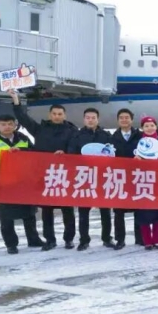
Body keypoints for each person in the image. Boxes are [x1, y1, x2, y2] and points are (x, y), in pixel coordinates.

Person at [8, 89, 77, 251]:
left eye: (60, 114)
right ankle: (50, 240)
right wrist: (16, 100)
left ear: (64, 115)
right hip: (45, 175)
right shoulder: (40, 129)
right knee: (47, 210)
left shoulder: (72, 131)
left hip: (65, 175)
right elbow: (23, 119)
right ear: (50, 115)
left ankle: (69, 239)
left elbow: (76, 149)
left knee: (68, 210)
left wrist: (66, 153)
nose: (57, 116)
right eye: (54, 114)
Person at [0, 114, 46, 253]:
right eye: (3, 124)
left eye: (10, 124)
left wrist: (22, 150)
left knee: (29, 214)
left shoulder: (23, 139)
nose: (7, 127)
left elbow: (35, 155)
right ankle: (11, 244)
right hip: (5, 186)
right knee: (6, 217)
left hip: (25, 184)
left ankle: (33, 239)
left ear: (15, 125)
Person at [67, 107, 114, 251]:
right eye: (88, 118)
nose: (90, 120)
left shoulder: (106, 135)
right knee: (83, 212)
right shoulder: (77, 136)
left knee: (105, 211)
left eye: (93, 118)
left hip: (102, 178)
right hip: (84, 178)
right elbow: (71, 155)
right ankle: (84, 240)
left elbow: (113, 154)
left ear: (97, 119)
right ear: (84, 119)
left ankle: (107, 238)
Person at [135, 116, 158, 250]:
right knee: (144, 212)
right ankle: (147, 241)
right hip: (143, 180)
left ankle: (157, 240)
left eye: (152, 125)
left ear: (156, 127)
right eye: (146, 126)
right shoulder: (138, 142)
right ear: (142, 128)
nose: (149, 128)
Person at [110, 108, 142, 249]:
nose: (124, 120)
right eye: (121, 118)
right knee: (118, 211)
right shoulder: (112, 138)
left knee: (139, 209)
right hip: (119, 178)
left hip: (137, 176)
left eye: (126, 117)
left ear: (131, 119)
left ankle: (140, 238)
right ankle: (120, 239)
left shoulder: (140, 136)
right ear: (118, 120)